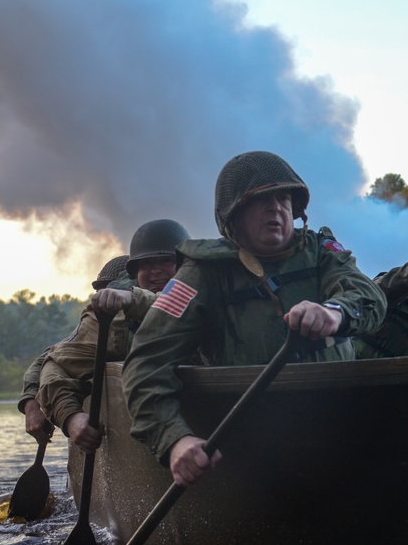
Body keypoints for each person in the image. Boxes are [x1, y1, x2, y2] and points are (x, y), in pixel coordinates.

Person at [123, 151, 387, 487]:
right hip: (248, 439)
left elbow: (368, 296)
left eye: (283, 198)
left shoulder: (322, 252)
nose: (276, 208)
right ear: (233, 216)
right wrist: (176, 440)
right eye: (260, 200)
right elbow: (146, 364)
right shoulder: (202, 274)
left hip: (336, 424)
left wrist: (334, 313)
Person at [37, 219, 190, 454]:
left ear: (185, 267)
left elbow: (180, 308)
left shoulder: (208, 298)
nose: (157, 270)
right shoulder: (114, 319)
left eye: (167, 261)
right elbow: (56, 364)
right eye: (147, 263)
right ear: (135, 273)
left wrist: (133, 298)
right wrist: (71, 417)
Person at [18, 254, 130, 444]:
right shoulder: (98, 324)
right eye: (101, 292)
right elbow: (54, 355)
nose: (103, 300)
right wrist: (31, 402)